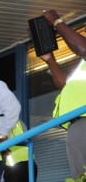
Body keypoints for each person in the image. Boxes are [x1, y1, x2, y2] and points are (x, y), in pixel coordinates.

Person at [39, 9, 86, 179]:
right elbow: (64, 85)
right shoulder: (83, 64)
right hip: (76, 125)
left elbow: (81, 47)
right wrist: (50, 60)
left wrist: (57, 23)